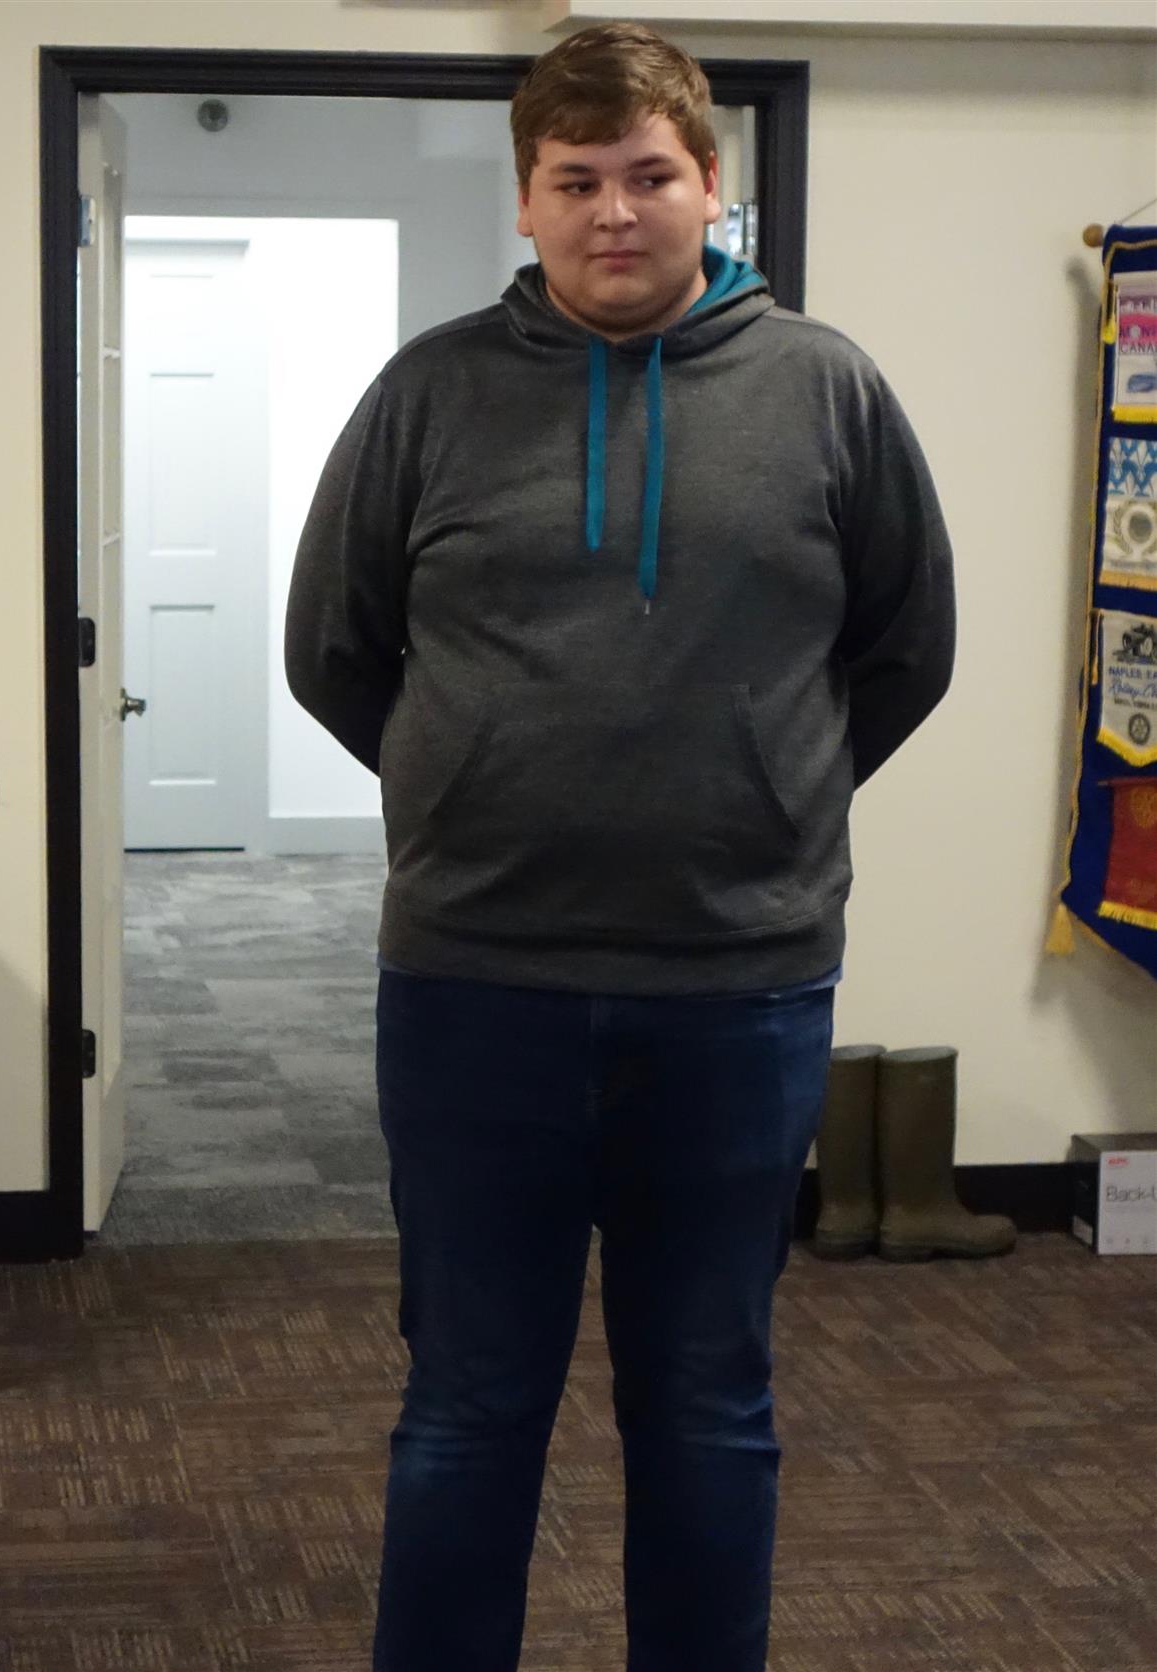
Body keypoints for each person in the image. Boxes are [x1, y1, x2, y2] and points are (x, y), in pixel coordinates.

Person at [285, 24, 954, 1672]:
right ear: (525, 199)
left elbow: (905, 650)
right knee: (466, 1407)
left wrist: (761, 792)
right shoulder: (429, 393)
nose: (613, 212)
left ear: (710, 185)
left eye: (649, 175)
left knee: (709, 1404)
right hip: (475, 985)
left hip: (738, 986)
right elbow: (334, 652)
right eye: (574, 180)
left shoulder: (827, 391)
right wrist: (475, 785)